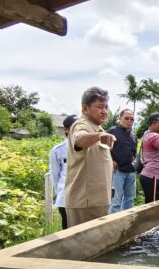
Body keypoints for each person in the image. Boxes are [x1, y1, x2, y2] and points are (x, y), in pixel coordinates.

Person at [65, 87, 116, 227]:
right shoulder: (82, 125)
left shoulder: (98, 128)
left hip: (98, 200)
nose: (104, 111)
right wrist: (99, 136)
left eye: (106, 107)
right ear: (85, 108)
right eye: (100, 107)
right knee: (82, 245)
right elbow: (79, 139)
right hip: (85, 202)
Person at [49, 115, 77, 229]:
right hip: (66, 198)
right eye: (74, 128)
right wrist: (61, 192)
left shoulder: (91, 147)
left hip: (85, 198)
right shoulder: (58, 150)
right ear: (66, 129)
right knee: (68, 231)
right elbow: (55, 175)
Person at [108, 109, 137, 213]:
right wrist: (111, 160)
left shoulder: (133, 136)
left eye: (132, 119)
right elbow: (103, 148)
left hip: (131, 172)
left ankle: (128, 224)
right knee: (116, 201)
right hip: (117, 172)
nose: (129, 120)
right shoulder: (112, 131)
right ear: (120, 118)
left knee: (129, 200)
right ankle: (113, 226)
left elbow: (134, 153)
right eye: (126, 118)